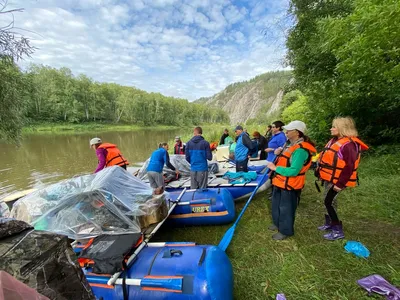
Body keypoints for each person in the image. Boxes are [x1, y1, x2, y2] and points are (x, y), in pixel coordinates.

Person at [315, 117, 368, 240]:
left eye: (334, 126)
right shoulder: (334, 141)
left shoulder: (348, 145)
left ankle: (337, 230)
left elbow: (349, 167)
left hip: (339, 180)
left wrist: (340, 184)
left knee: (329, 202)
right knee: (327, 200)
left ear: (343, 128)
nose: (331, 128)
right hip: (329, 178)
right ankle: (328, 223)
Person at [267, 121, 316, 240]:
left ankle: (285, 231)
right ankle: (277, 223)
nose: (286, 132)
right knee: (276, 204)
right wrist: (277, 153)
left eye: (289, 130)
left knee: (286, 208)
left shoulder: (300, 150)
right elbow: (284, 159)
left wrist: (275, 168)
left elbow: (294, 171)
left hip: (291, 184)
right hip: (279, 181)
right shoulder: (288, 144)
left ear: (297, 133)